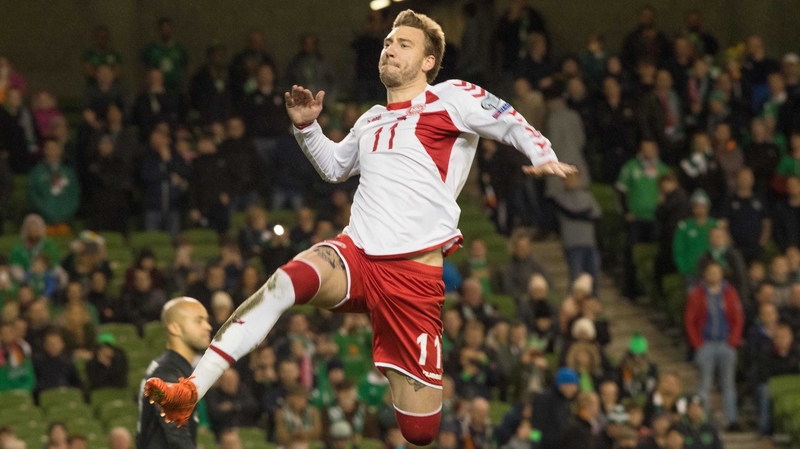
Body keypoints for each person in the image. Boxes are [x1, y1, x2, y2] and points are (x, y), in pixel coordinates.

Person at [144, 10, 573, 447]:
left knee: (420, 432)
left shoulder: (451, 97)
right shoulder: (371, 118)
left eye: (403, 43)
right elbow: (334, 168)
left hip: (413, 278)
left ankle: (393, 363)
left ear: (428, 61)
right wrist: (307, 127)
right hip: (357, 254)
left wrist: (541, 153)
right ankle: (191, 388)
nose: (390, 47)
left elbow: (505, 116)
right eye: (388, 41)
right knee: (283, 283)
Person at [137, 297, 211, 449]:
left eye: (206, 320)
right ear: (175, 328)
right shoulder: (167, 372)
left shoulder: (177, 369)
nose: (208, 327)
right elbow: (177, 436)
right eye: (199, 321)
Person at [685, 262, 744, 431]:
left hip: (726, 342)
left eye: (717, 272)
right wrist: (697, 343)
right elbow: (690, 320)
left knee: (728, 384)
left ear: (721, 275)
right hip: (706, 344)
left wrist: (733, 340)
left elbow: (738, 317)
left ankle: (732, 420)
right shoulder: (697, 294)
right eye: (710, 272)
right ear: (705, 275)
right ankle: (702, 420)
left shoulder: (730, 292)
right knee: (704, 384)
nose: (713, 275)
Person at [616, 140, 670, 298]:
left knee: (653, 256)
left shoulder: (662, 168)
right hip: (636, 220)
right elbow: (620, 190)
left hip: (655, 220)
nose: (649, 151)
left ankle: (652, 292)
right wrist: (625, 211)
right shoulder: (631, 167)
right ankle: (630, 291)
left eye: (652, 148)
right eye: (646, 148)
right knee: (632, 255)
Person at [552, 173, 602, 289]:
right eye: (568, 179)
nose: (571, 181)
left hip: (589, 242)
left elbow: (596, 215)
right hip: (572, 244)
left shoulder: (587, 196)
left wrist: (580, 215)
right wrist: (584, 215)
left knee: (593, 277)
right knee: (575, 278)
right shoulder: (560, 198)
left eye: (573, 178)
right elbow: (572, 213)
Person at [26, 138, 80, 234]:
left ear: (60, 150)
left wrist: (67, 213)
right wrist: (45, 212)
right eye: (49, 148)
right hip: (44, 223)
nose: (52, 151)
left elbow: (75, 194)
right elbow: (33, 195)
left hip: (66, 222)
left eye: (55, 148)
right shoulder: (36, 173)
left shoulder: (69, 173)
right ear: (44, 150)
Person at [673, 190, 718, 281]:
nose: (700, 209)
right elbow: (678, 248)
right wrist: (683, 267)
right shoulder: (685, 227)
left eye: (703, 207)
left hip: (712, 272)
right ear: (693, 208)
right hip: (691, 271)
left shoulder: (715, 225)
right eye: (697, 206)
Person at [531, 368, 580, 449]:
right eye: (572, 385)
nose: (575, 389)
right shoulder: (545, 399)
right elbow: (536, 425)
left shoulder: (565, 402)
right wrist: (534, 444)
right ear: (562, 385)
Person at [205, 367, 260, 435]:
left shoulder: (243, 391)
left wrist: (233, 406)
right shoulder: (212, 394)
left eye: (232, 380)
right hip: (221, 432)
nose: (230, 384)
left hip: (244, 429)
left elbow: (253, 406)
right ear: (220, 381)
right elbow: (214, 412)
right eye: (227, 381)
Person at [141, 18, 189, 93]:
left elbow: (186, 67)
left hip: (175, 89)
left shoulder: (179, 49)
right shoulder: (151, 48)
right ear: (159, 30)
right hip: (157, 89)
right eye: (163, 28)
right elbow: (144, 66)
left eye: (168, 27)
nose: (165, 30)